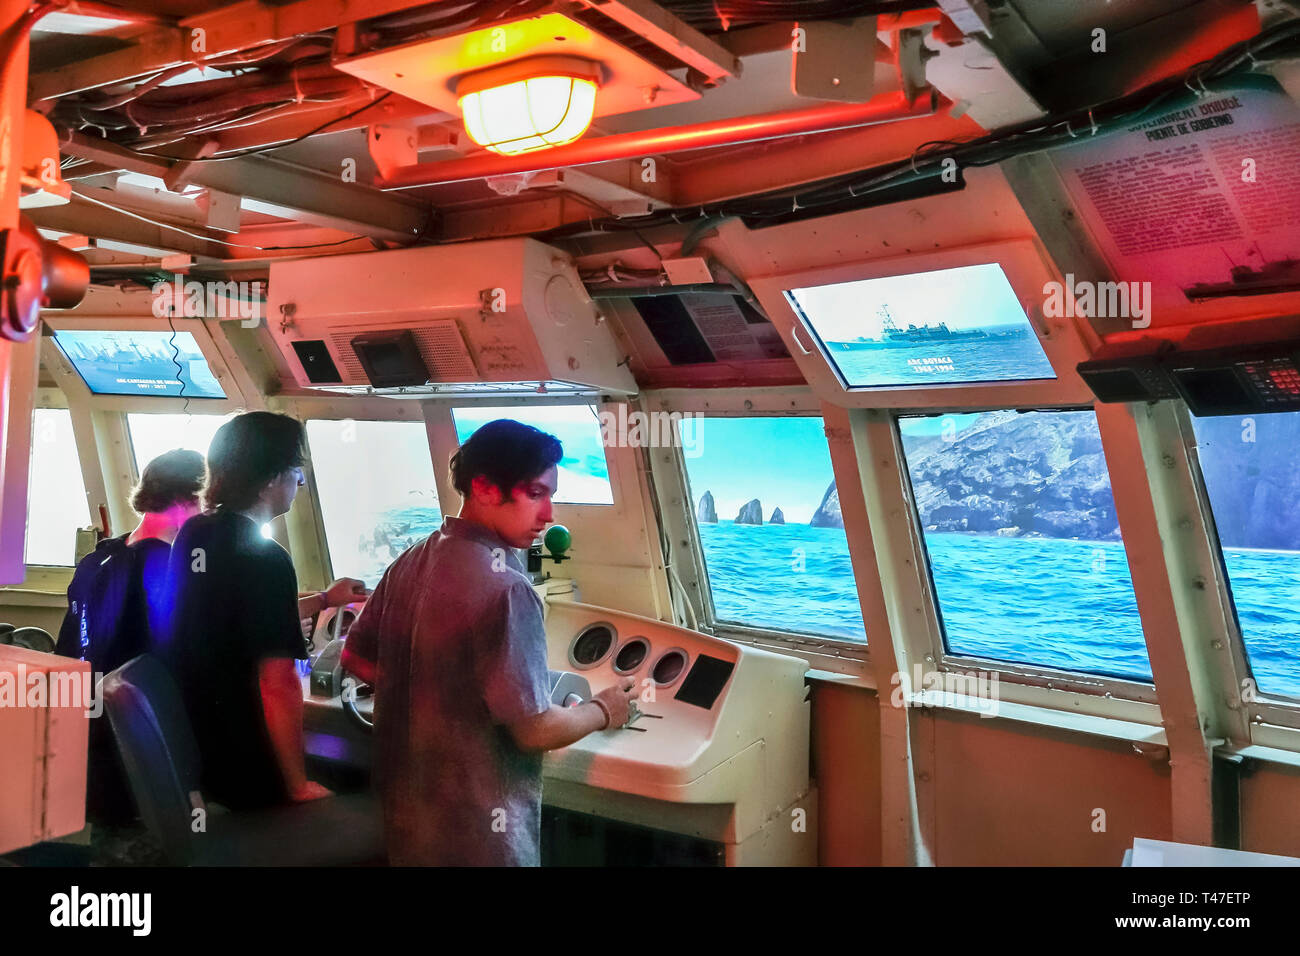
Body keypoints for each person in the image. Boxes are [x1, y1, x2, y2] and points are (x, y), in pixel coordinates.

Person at [341, 418, 637, 866]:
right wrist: (604, 710)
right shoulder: (509, 590)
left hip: (407, 828)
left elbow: (357, 661)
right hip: (479, 840)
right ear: (483, 487)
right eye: (535, 494)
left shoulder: (410, 559)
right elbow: (534, 730)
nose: (549, 514)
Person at [162, 411, 365, 810]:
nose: (299, 482)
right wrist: (297, 786)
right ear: (271, 478)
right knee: (361, 779)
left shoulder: (196, 533)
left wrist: (324, 600)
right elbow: (278, 683)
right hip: (248, 772)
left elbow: (234, 617)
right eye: (295, 471)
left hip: (201, 759)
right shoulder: (265, 557)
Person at [56, 448, 206, 824]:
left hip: (89, 739)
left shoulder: (97, 560)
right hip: (139, 743)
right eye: (207, 501)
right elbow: (182, 658)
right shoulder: (166, 565)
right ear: (187, 498)